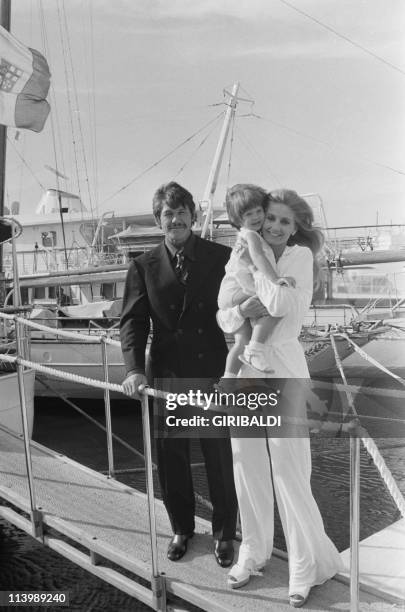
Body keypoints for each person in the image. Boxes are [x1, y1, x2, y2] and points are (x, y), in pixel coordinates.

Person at [217, 188, 342, 607]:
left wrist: (256, 283)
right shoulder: (241, 252)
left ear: (297, 229)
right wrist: (243, 307)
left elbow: (283, 303)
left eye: (285, 222)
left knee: (289, 470)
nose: (273, 227)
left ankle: (304, 563)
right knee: (245, 465)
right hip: (247, 372)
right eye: (270, 218)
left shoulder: (299, 259)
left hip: (284, 369)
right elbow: (222, 312)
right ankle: (253, 550)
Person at [120, 181, 238, 567]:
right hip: (168, 373)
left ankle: (224, 533)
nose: (175, 219)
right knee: (171, 458)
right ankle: (182, 528)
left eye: (182, 212)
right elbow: (134, 322)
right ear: (158, 220)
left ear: (194, 216)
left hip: (213, 371)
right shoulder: (143, 265)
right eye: (168, 214)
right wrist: (135, 369)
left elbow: (241, 307)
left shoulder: (222, 257)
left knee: (219, 455)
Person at [218, 184, 295, 376]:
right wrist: (276, 279)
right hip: (238, 291)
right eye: (248, 214)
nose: (256, 217)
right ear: (238, 219)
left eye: (259, 211)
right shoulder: (251, 236)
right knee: (275, 308)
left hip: (230, 293)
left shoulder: (248, 235)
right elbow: (258, 258)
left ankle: (227, 381)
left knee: (241, 341)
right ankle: (255, 350)